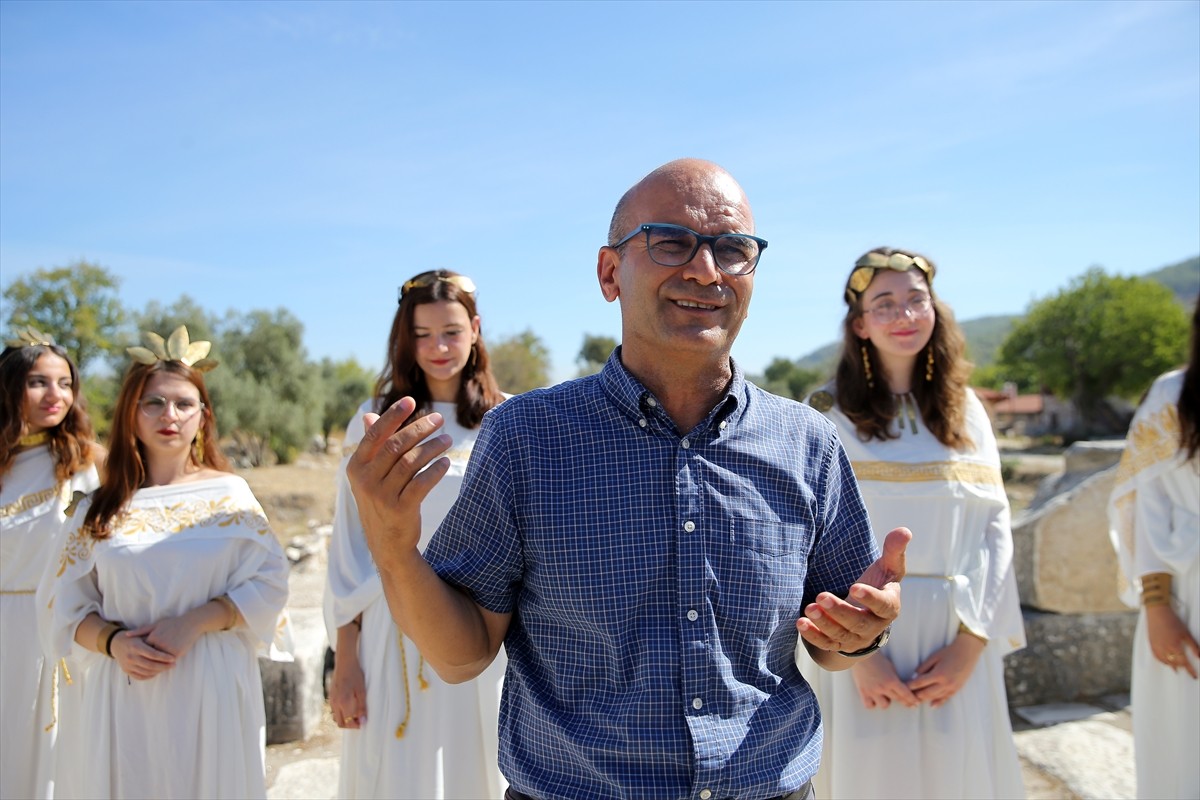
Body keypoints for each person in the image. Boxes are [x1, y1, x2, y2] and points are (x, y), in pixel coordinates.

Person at [346, 159, 911, 800]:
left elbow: (833, 646)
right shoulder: (526, 438)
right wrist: (392, 547)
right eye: (672, 242)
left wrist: (865, 632)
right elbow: (462, 655)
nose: (706, 269)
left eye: (733, 249)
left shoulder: (806, 443)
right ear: (610, 272)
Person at [798, 247, 1026, 799]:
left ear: (935, 310)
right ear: (860, 323)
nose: (904, 315)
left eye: (915, 300)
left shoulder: (968, 411)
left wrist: (972, 643)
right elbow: (805, 539)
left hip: (955, 640)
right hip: (859, 636)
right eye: (885, 303)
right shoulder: (824, 413)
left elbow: (994, 530)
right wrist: (854, 656)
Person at [41, 326, 289, 799]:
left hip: (210, 684)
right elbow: (64, 607)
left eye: (183, 403)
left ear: (203, 416)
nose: (168, 416)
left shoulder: (229, 496)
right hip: (124, 695)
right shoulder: (97, 508)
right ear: (130, 413)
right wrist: (114, 643)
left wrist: (195, 622)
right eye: (152, 402)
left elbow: (271, 585)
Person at [324, 269, 509, 799]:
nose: (439, 347)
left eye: (450, 331)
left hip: (488, 631)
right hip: (394, 632)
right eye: (422, 335)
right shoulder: (377, 419)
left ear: (475, 329)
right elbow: (351, 542)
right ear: (404, 341)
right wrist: (346, 657)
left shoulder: (510, 418)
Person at [1, 328, 101, 800]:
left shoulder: (81, 463)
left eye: (65, 383)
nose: (55, 395)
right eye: (39, 382)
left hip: (51, 632)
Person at [1108, 299, 1200, 799]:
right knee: (1185, 746)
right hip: (1189, 597)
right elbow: (1144, 505)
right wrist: (1159, 605)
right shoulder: (1174, 395)